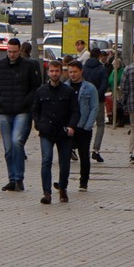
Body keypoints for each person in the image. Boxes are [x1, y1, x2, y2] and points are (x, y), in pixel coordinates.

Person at [0, 38, 42, 192]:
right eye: (9, 51)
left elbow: (35, 87)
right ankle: (12, 178)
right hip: (5, 111)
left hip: (22, 111)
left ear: (20, 51)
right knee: (8, 148)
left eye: (14, 52)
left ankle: (19, 178)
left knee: (17, 142)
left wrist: (26, 102)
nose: (11, 55)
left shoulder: (28, 66)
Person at [32, 59, 80, 203]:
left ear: (61, 72)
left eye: (57, 71)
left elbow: (76, 111)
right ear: (48, 72)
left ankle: (63, 188)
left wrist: (72, 126)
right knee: (46, 160)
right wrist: (39, 124)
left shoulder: (69, 91)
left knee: (64, 162)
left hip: (64, 132)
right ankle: (47, 192)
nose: (54, 74)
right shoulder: (41, 91)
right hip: (46, 131)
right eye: (52, 71)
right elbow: (35, 110)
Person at [66, 60, 98, 191]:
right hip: (69, 127)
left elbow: (94, 107)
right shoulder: (65, 86)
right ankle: (63, 181)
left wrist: (88, 126)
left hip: (83, 126)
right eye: (70, 72)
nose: (72, 75)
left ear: (81, 71)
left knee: (84, 155)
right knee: (65, 155)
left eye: (75, 72)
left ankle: (83, 181)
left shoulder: (89, 88)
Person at [81, 47, 109, 163]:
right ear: (99, 56)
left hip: (85, 100)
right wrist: (97, 95)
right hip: (99, 101)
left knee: (84, 123)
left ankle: (78, 147)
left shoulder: (83, 68)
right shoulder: (102, 69)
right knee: (100, 124)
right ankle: (96, 150)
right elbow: (104, 85)